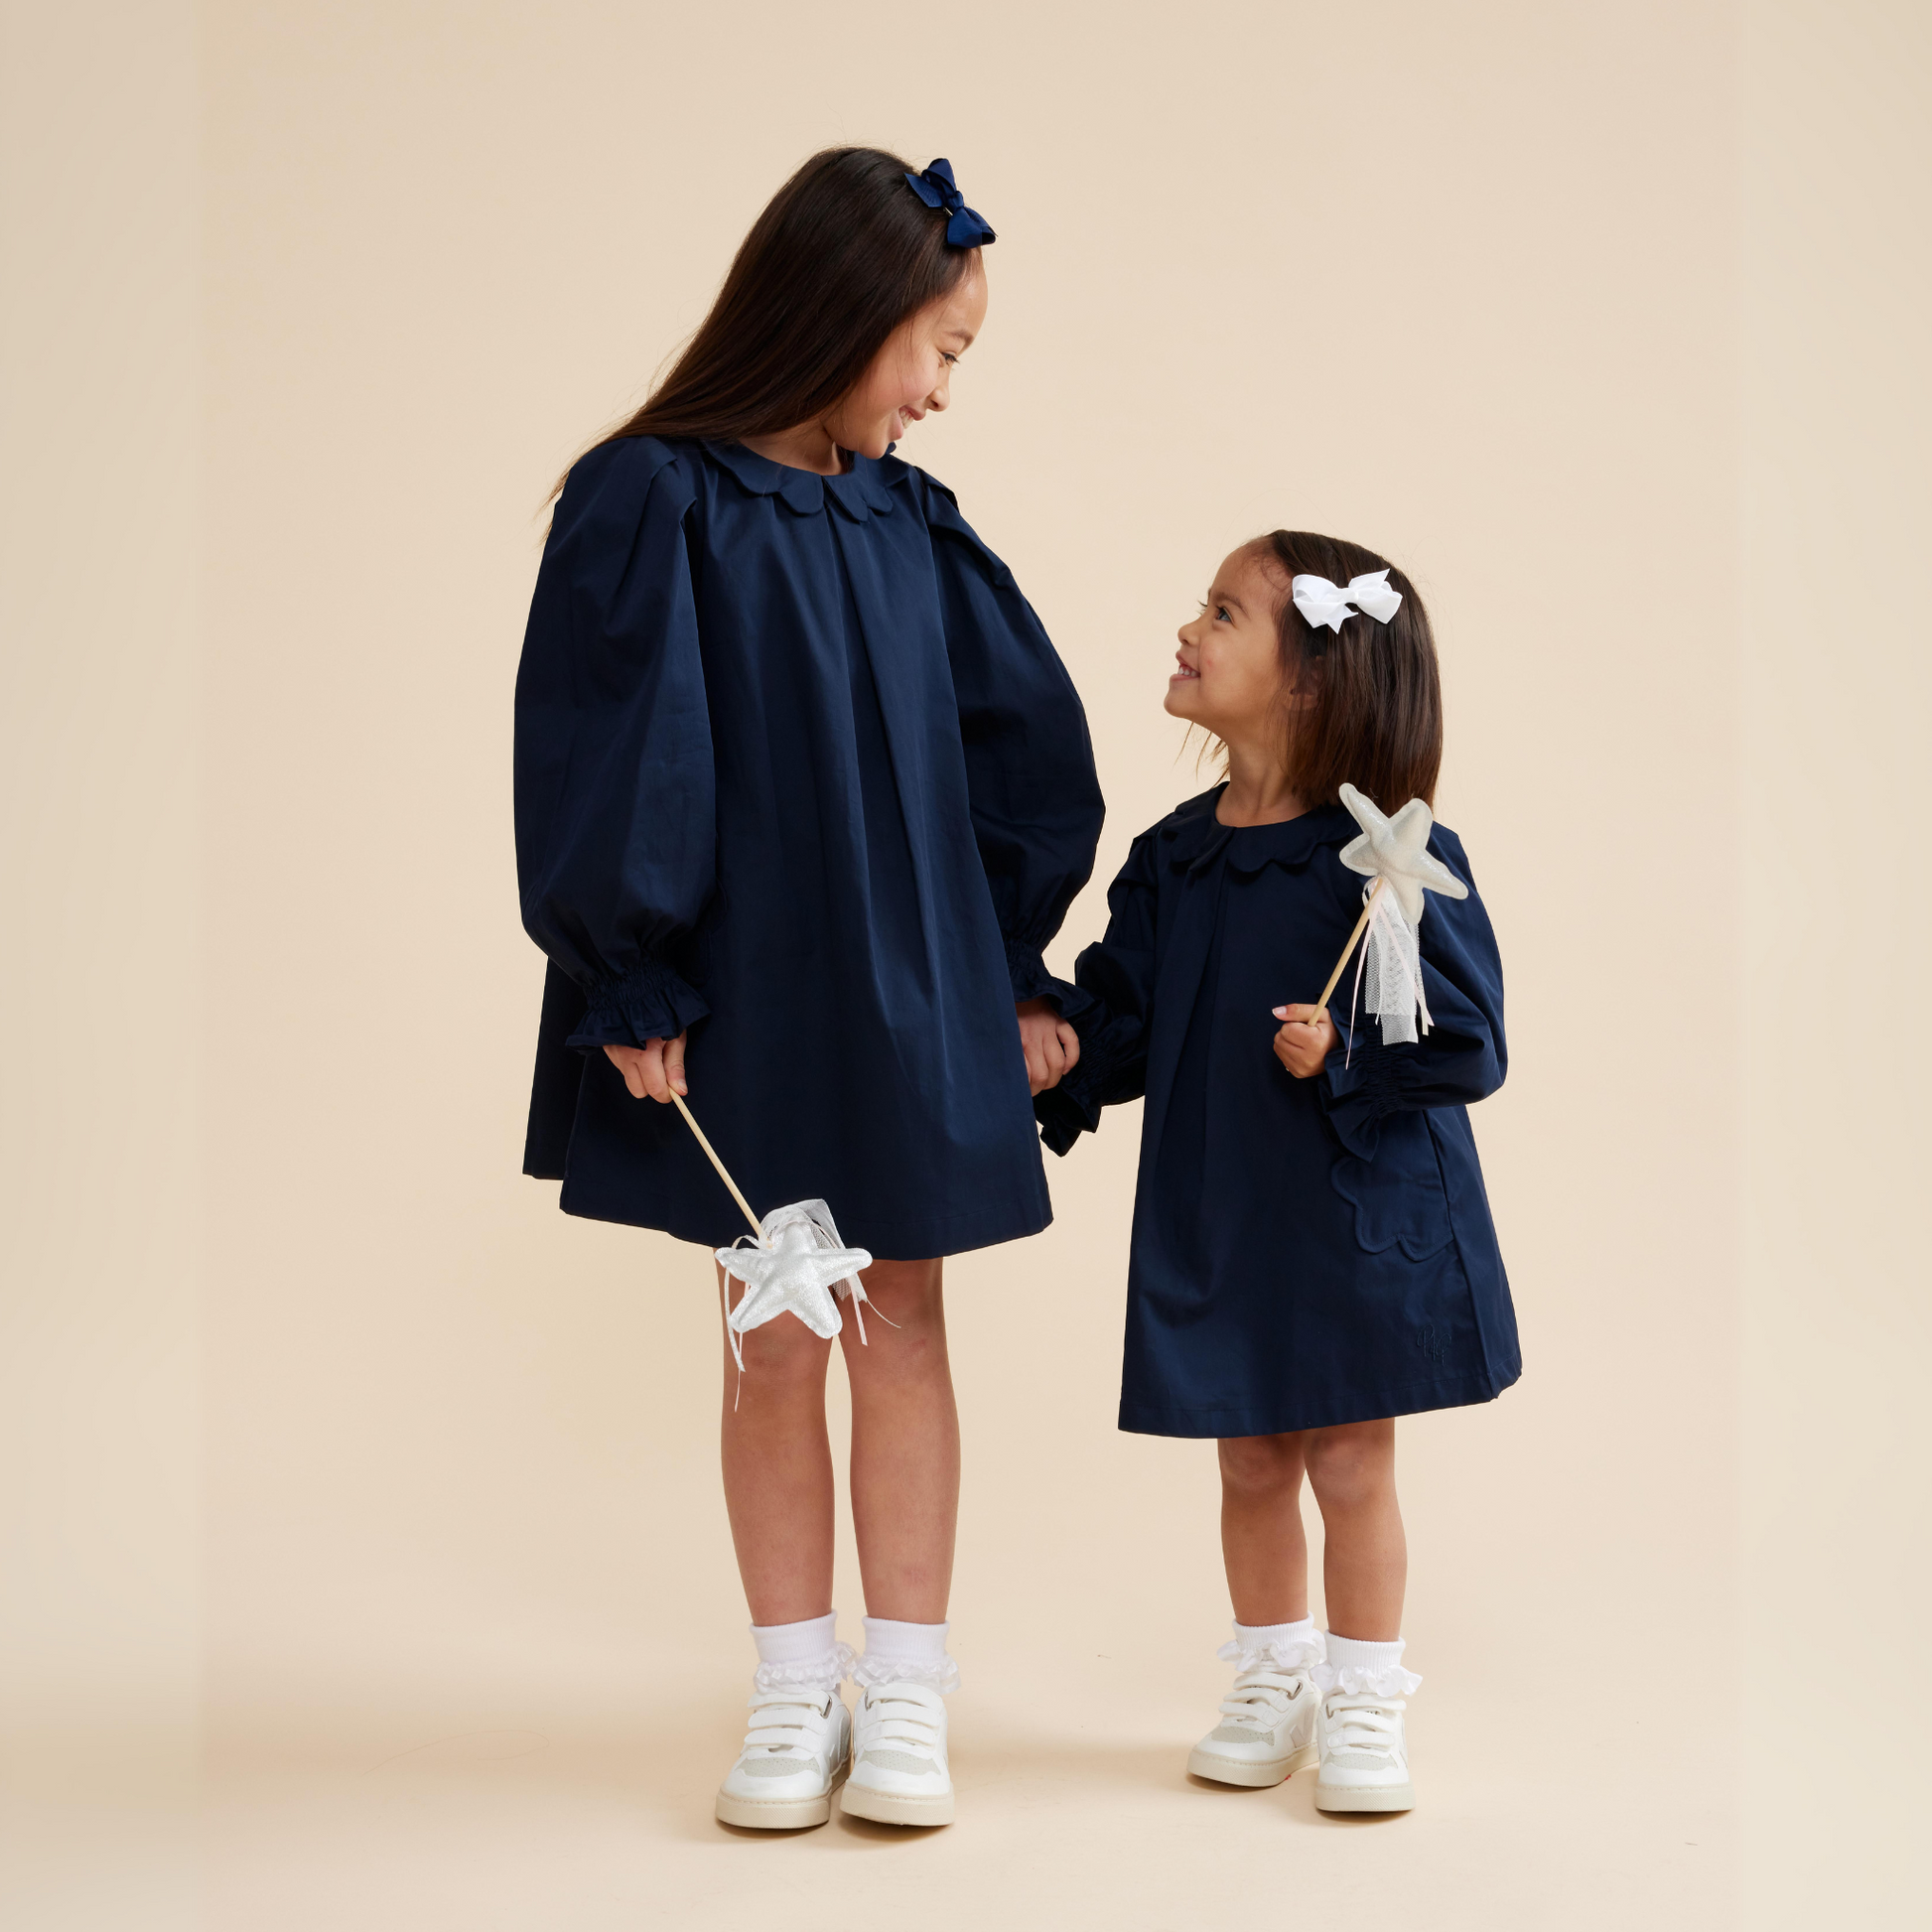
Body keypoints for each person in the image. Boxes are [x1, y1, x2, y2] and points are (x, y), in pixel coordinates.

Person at [513, 149, 1103, 1830]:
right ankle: (790, 1686)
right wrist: (630, 974)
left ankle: (902, 1689)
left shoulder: (913, 524)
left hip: (910, 982)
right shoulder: (655, 497)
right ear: (844, 314)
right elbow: (613, 741)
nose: (940, 393)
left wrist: (1009, 967)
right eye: (939, 350)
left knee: (902, 1315)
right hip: (744, 986)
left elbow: (1017, 761)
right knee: (774, 1331)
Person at [1035, 532, 1518, 1813]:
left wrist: (1344, 1051)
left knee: (1353, 1460)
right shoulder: (1172, 860)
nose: (1188, 631)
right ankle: (1271, 1678)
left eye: (1223, 613)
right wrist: (1056, 1051)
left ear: (1308, 679)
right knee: (1249, 1460)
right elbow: (1125, 1019)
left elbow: (1472, 1046)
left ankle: (1364, 1703)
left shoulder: (1392, 863)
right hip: (1224, 1201)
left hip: (1357, 1207)